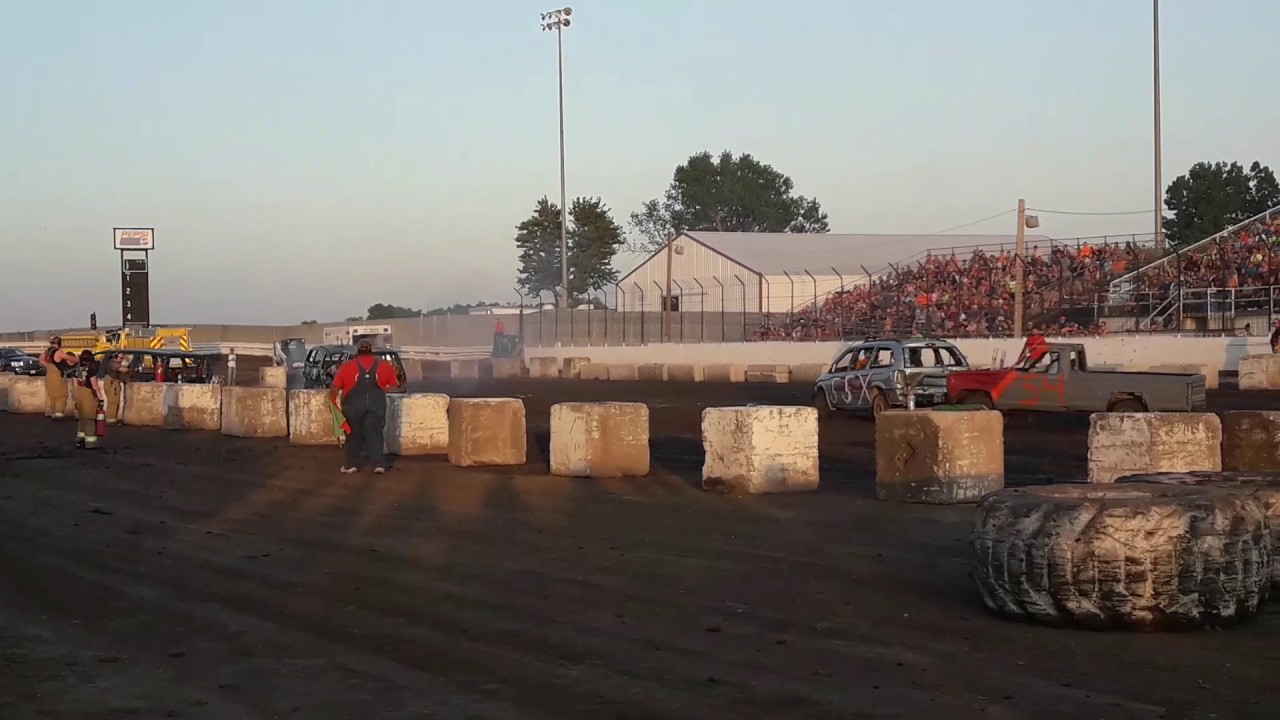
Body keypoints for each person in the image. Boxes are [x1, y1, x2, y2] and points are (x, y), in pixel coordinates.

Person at [329, 339, 399, 474]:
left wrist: (332, 402)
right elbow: (395, 386)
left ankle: (351, 465)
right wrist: (382, 389)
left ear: (358, 351)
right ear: (371, 350)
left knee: (353, 435)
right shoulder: (384, 366)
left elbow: (335, 387)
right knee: (375, 434)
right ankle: (378, 464)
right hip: (376, 405)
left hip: (352, 406)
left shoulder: (347, 366)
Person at [71, 349, 106, 449]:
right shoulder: (90, 369)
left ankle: (79, 441)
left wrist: (75, 398)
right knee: (90, 420)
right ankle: (91, 443)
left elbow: (74, 385)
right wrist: (100, 398)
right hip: (89, 396)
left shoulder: (77, 369)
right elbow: (95, 386)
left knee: (82, 419)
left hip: (79, 395)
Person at [39, 336, 78, 419]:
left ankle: (53, 413)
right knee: (61, 395)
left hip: (49, 377)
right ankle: (59, 413)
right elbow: (70, 358)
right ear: (59, 344)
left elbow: (41, 359)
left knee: (52, 396)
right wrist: (76, 359)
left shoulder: (47, 352)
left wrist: (47, 366)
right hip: (58, 378)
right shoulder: (58, 352)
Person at [98, 352, 129, 425]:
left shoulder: (114, 363)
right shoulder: (113, 363)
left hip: (113, 382)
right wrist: (126, 366)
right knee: (113, 401)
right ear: (115, 357)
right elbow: (123, 369)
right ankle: (110, 419)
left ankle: (113, 418)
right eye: (121, 358)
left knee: (115, 401)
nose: (122, 360)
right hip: (111, 382)